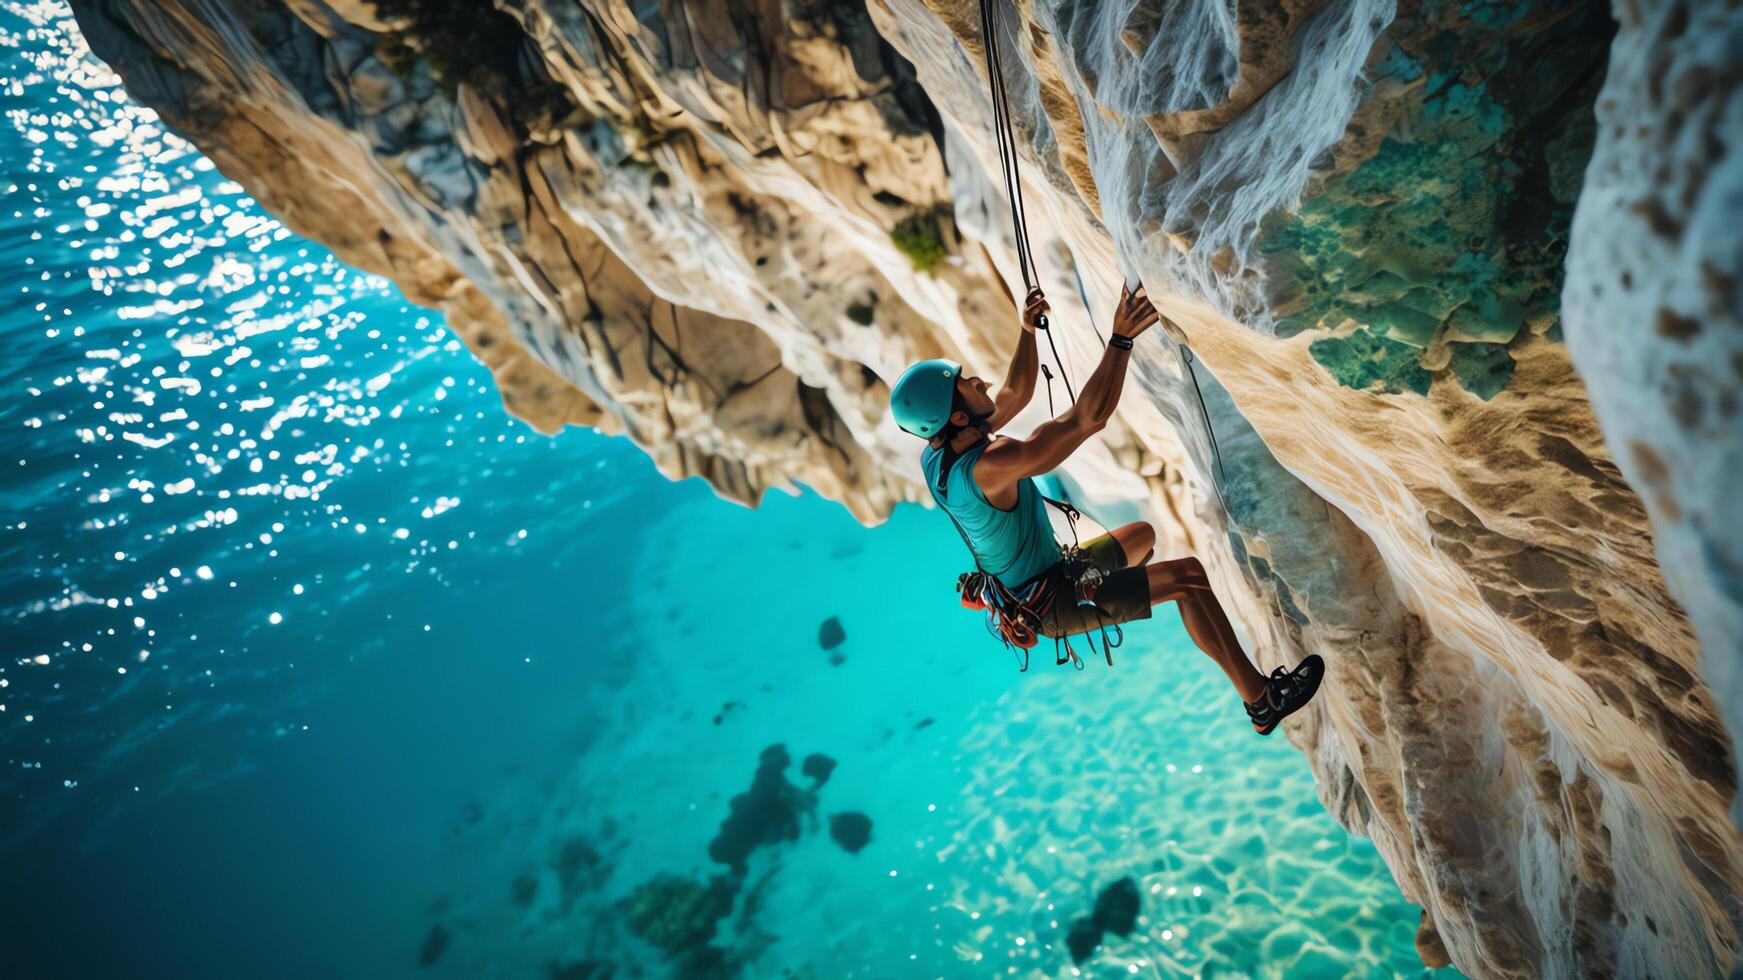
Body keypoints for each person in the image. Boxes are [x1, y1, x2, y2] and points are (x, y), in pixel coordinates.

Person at [889, 284, 1322, 735]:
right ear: (958, 417)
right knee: (1188, 578)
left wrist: (1027, 331)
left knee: (1142, 537)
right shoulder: (992, 466)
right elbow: (1086, 419)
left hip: (1045, 577)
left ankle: (1118, 596)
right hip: (1052, 601)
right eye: (966, 384)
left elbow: (1014, 392)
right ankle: (1262, 702)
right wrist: (1120, 340)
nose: (978, 382)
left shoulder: (939, 457)